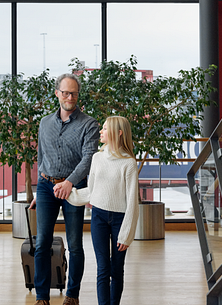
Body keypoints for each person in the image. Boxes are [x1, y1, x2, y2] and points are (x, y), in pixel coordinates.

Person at [31, 73, 100, 305]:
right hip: (45, 187)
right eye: (66, 93)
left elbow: (88, 158)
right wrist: (37, 193)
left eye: (74, 93)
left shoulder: (89, 124)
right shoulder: (44, 123)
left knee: (74, 244)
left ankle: (72, 295)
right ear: (57, 93)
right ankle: (42, 297)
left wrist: (69, 182)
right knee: (42, 243)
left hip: (74, 189)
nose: (70, 97)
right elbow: (41, 157)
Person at [65, 116, 139, 305]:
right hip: (98, 217)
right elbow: (92, 190)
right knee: (102, 269)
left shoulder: (129, 163)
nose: (101, 132)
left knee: (117, 269)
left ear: (118, 133)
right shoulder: (97, 158)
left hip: (120, 220)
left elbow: (132, 202)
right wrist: (69, 193)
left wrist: (126, 235)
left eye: (105, 129)